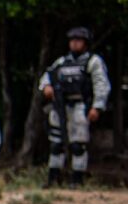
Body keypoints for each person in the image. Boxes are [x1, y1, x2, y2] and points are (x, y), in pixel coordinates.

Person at [39, 26, 110, 187]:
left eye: (78, 41)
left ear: (85, 43)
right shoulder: (62, 62)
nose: (74, 44)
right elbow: (46, 77)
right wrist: (46, 87)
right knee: (56, 143)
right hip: (60, 106)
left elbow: (101, 85)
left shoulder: (92, 61)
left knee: (78, 145)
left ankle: (77, 179)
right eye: (72, 41)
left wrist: (97, 107)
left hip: (80, 106)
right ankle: (53, 178)